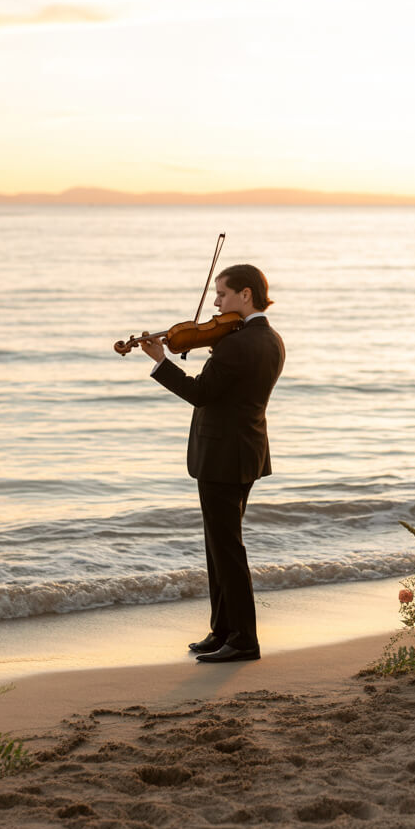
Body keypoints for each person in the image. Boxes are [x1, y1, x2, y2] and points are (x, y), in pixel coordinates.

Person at [139, 264, 285, 662]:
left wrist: (159, 361)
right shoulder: (269, 339)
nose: (216, 303)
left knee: (226, 550)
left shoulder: (237, 345)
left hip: (223, 457)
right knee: (219, 546)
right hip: (244, 452)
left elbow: (200, 392)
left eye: (222, 294)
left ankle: (244, 640)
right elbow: (225, 390)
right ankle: (223, 631)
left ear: (246, 296)